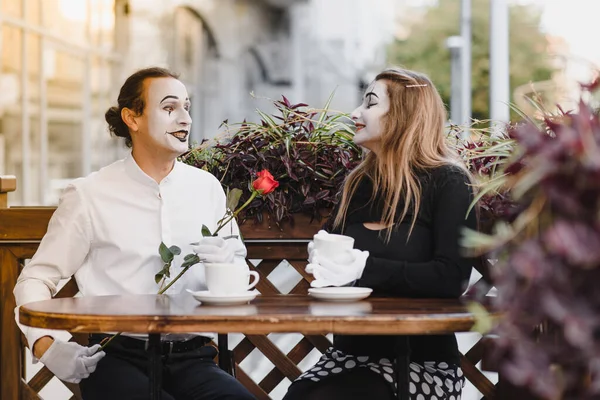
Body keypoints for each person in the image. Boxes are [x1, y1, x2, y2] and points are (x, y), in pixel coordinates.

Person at [13, 67, 256, 400]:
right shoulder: (89, 194)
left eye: (187, 107)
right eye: (169, 108)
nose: (184, 118)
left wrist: (229, 269)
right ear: (133, 118)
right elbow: (35, 279)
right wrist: (48, 346)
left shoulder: (208, 188)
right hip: (115, 359)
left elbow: (239, 277)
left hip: (195, 357)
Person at [283, 67, 477, 400]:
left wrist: (364, 268)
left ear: (403, 114)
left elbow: (451, 277)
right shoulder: (358, 183)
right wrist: (322, 257)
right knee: (298, 396)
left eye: (370, 103)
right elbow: (333, 251)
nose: (355, 113)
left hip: (422, 363)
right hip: (349, 357)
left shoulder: (449, 182)